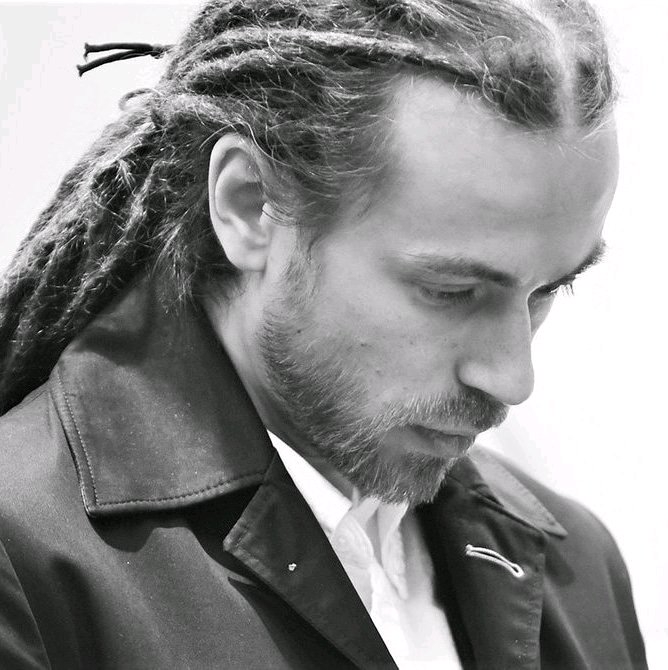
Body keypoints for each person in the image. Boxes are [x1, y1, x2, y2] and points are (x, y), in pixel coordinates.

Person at [0, 0, 648, 668]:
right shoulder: (23, 558)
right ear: (251, 204)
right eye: (451, 291)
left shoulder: (577, 569)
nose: (513, 378)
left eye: (549, 290)